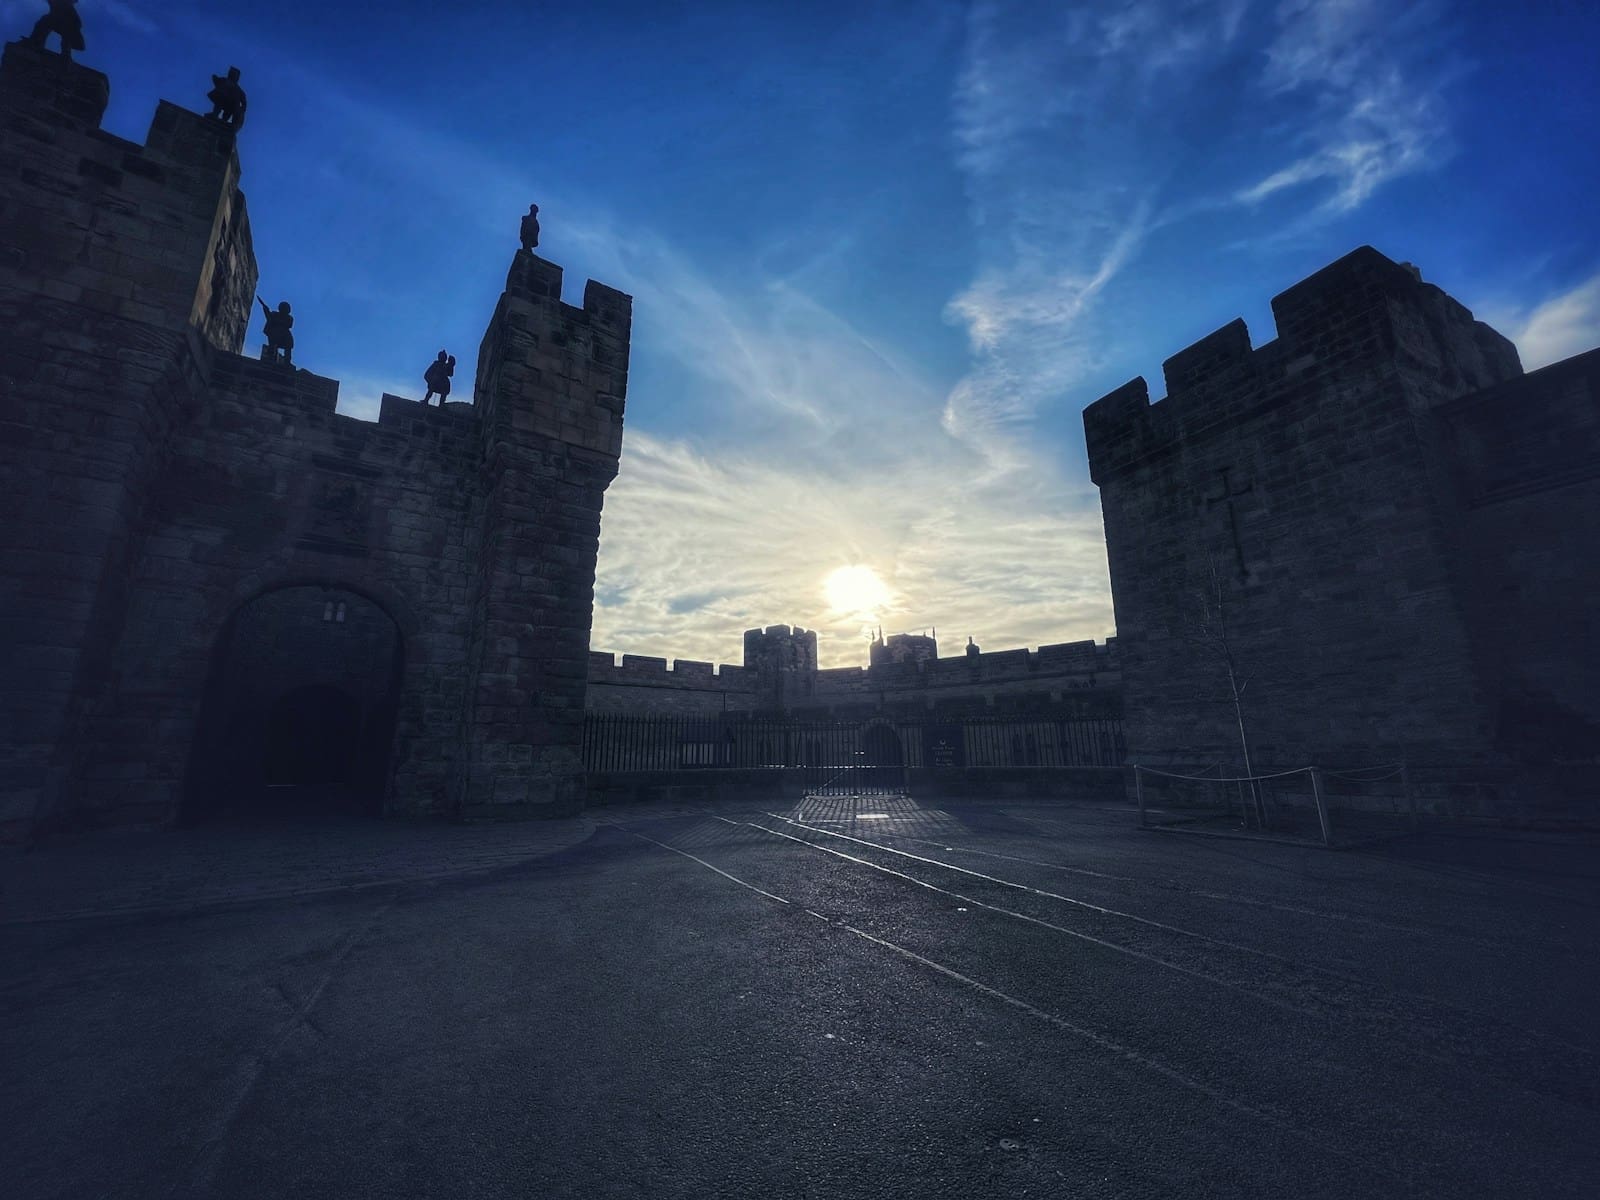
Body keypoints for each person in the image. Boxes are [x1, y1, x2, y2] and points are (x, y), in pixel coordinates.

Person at [258, 297, 293, 364]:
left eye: (286, 308)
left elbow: (289, 324)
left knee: (289, 345)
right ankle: (270, 357)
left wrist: (276, 321)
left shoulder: (289, 318)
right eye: (283, 307)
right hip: (275, 332)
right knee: (272, 344)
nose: (284, 309)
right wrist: (266, 310)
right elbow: (269, 317)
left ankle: (287, 361)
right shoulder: (275, 314)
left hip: (285, 333)